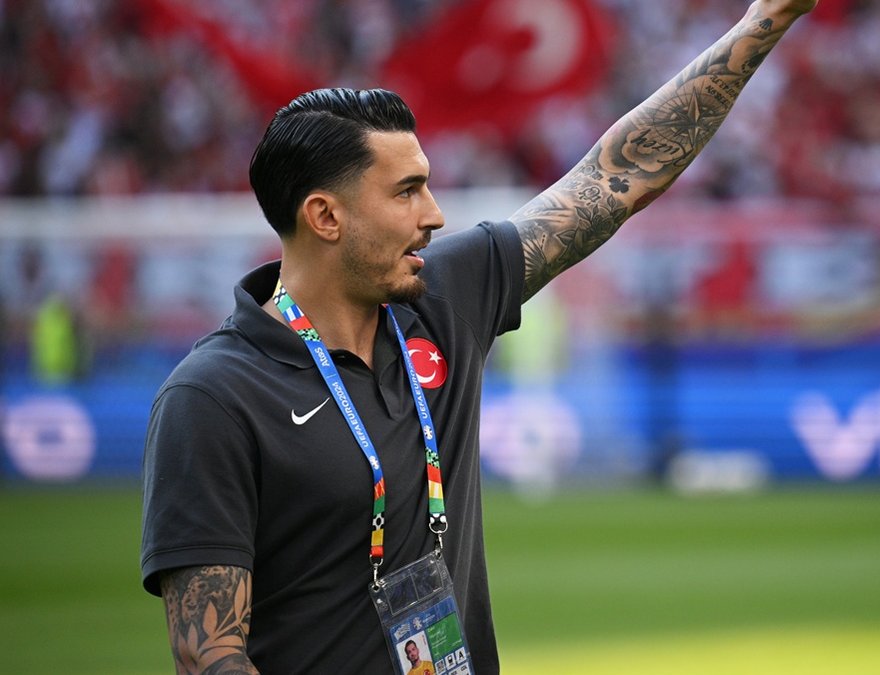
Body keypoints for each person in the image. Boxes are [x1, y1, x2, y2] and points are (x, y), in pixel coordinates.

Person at [139, 1, 820, 673]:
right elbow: (209, 653)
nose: (434, 215)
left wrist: (765, 20)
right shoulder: (214, 396)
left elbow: (614, 178)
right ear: (325, 217)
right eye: (406, 192)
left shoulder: (444, 299)